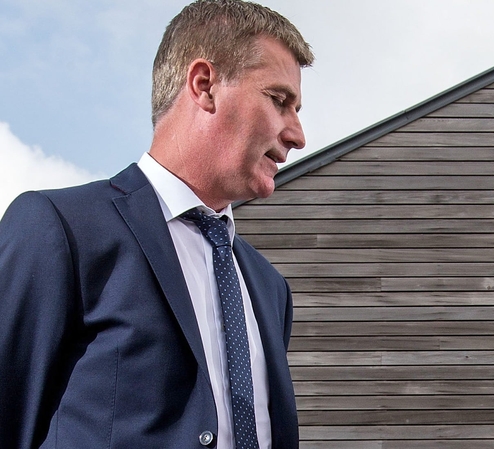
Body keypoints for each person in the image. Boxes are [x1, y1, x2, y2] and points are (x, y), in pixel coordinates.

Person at [0, 1, 313, 448]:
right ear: (204, 85)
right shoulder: (59, 229)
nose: (297, 134)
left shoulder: (270, 288)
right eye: (279, 100)